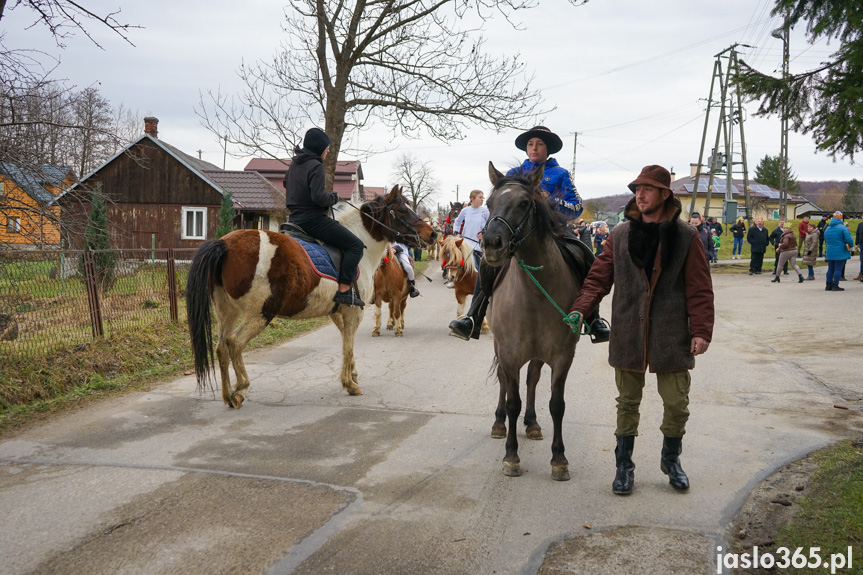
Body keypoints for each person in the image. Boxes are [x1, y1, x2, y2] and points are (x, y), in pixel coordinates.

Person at [565, 165, 714, 495]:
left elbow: (700, 288)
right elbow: (597, 279)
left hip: (671, 333)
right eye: (636, 189)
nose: (640, 194)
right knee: (627, 402)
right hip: (629, 330)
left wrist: (701, 329)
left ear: (664, 194)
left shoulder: (687, 236)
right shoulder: (619, 236)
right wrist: (580, 309)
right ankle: (624, 467)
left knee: (677, 403)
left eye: (647, 189)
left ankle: (671, 460)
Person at [449, 126, 610, 343]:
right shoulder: (514, 174)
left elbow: (576, 208)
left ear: (548, 148)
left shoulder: (561, 174)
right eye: (531, 144)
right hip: (518, 235)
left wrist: (549, 200)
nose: (534, 148)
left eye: (540, 144)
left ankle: (594, 319)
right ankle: (473, 317)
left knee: (584, 256)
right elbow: (501, 206)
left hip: (555, 232)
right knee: (488, 263)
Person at [285, 127, 366, 307]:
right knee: (356, 245)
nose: (328, 151)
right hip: (313, 221)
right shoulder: (315, 166)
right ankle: (344, 290)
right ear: (318, 147)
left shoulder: (294, 165)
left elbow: (286, 184)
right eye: (326, 147)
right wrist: (333, 198)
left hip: (293, 220)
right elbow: (319, 198)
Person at [823, 211, 854, 291]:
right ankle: (835, 285)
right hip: (840, 250)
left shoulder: (828, 228)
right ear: (841, 218)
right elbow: (848, 239)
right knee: (838, 269)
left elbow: (826, 240)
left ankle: (828, 285)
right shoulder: (843, 228)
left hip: (830, 250)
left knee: (830, 268)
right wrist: (852, 246)